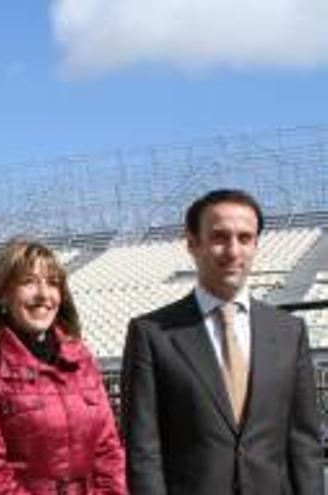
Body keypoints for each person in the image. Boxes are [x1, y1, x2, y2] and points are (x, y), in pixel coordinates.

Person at [121, 189, 323, 494]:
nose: (233, 251)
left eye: (244, 238)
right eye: (219, 237)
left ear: (256, 245)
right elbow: (143, 449)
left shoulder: (289, 332)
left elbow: (304, 443)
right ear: (192, 243)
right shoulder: (151, 334)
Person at [0, 239, 126, 494]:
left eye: (53, 283)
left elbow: (108, 451)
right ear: (2, 294)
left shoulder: (81, 360)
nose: (44, 294)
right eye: (29, 282)